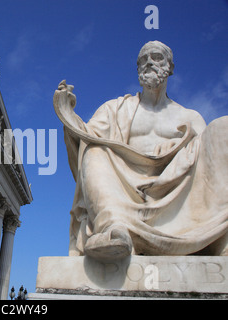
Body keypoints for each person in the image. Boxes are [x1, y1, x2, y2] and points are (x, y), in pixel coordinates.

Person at [54, 41, 228, 261]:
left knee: (223, 127)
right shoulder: (115, 108)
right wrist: (67, 112)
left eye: (156, 57)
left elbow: (208, 169)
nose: (148, 63)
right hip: (124, 189)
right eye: (142, 60)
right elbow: (85, 135)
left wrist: (178, 155)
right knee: (94, 150)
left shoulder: (190, 118)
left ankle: (218, 237)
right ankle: (115, 230)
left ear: (170, 67)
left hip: (176, 191)